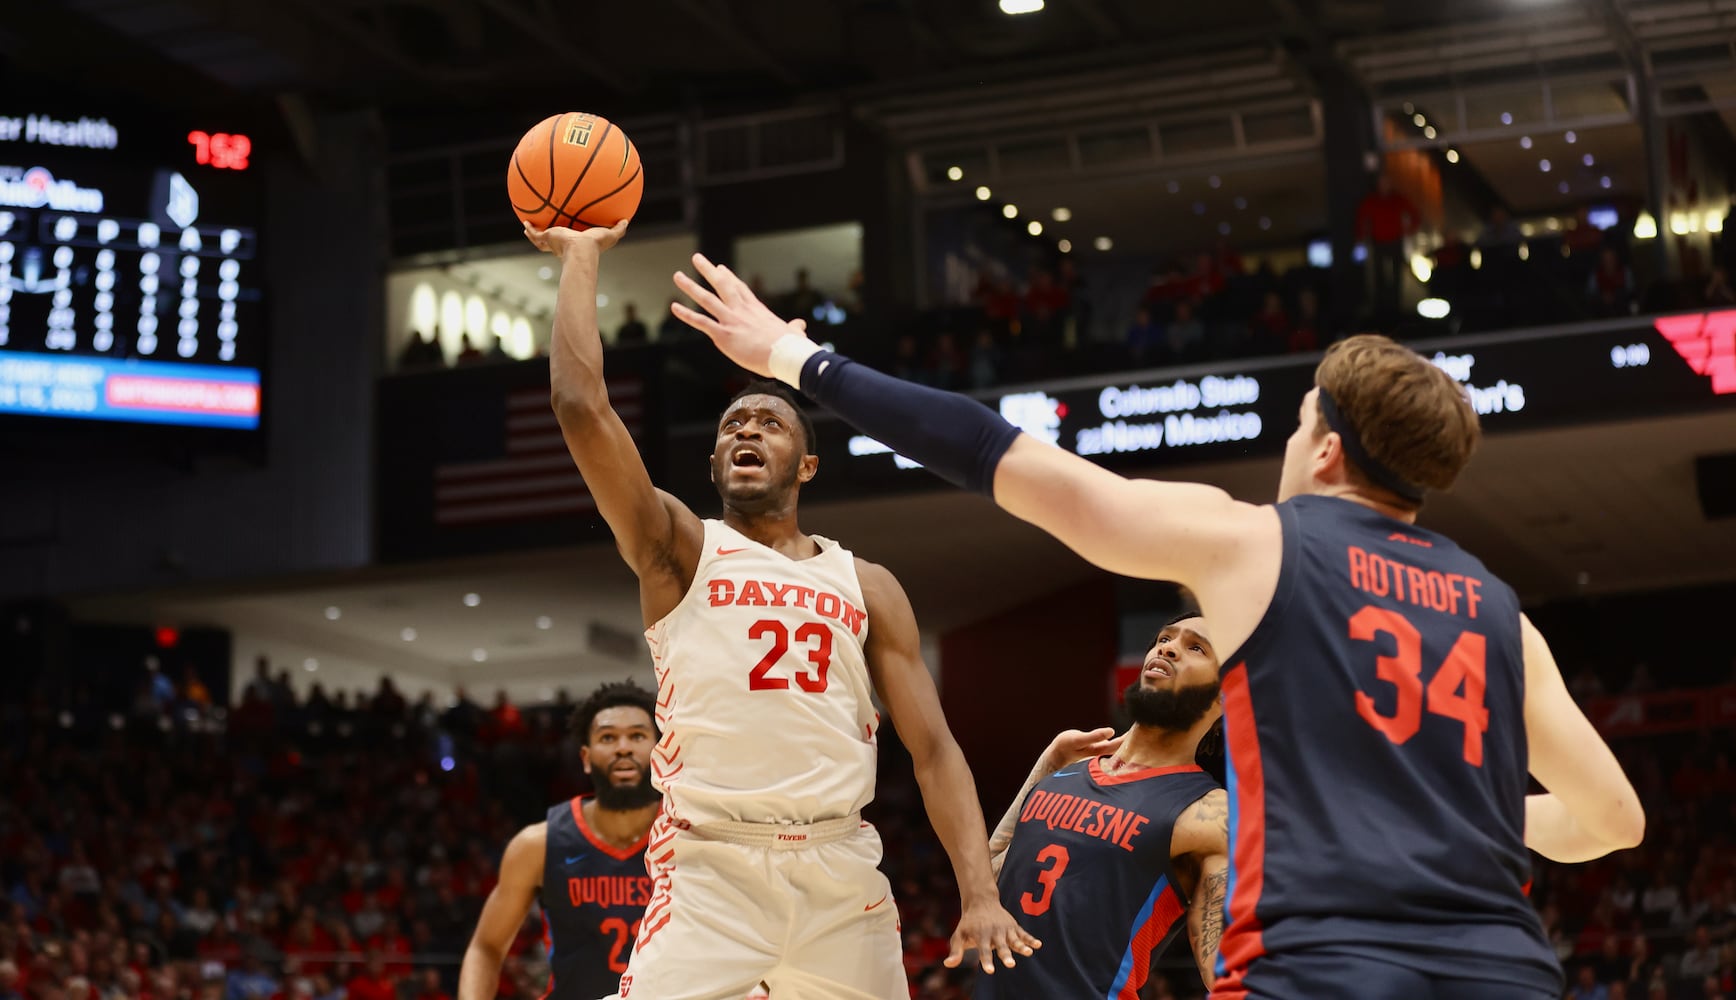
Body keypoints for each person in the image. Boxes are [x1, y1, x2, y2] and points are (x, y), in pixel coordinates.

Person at [669, 258, 1646, 1000]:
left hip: (1328, 969)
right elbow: (1611, 820)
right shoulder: (1497, 612)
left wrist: (793, 357)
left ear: (1327, 446)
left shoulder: (1251, 544)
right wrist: (1446, 817)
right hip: (1504, 970)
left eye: (1300, 422)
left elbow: (985, 447)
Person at [522, 219, 1033, 1000]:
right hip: (711, 872)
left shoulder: (868, 584)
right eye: (732, 426)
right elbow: (578, 403)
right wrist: (581, 258)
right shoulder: (680, 547)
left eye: (770, 422)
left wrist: (980, 891)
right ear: (717, 460)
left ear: (809, 463)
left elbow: (933, 752)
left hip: (839, 873)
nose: (747, 430)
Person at [982, 613, 1230, 998]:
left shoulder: (1209, 813)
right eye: (1164, 638)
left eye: (1195, 647)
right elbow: (985, 883)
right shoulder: (1066, 771)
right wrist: (1047, 765)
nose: (1168, 647)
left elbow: (1227, 978)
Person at [457, 682, 662, 1000]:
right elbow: (486, 946)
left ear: (659, 750)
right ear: (585, 756)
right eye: (608, 737)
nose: (623, 747)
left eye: (637, 735)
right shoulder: (537, 845)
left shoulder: (686, 836)